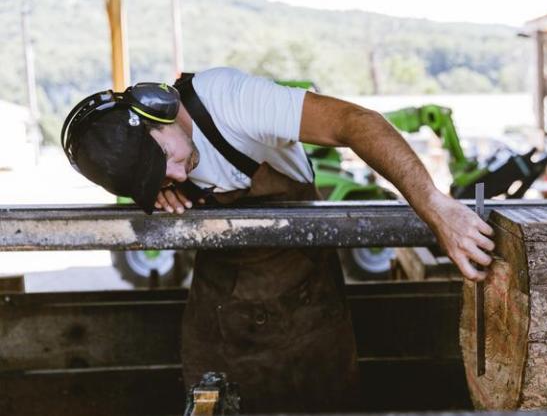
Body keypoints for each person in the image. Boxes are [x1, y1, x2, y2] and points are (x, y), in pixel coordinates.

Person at [61, 67, 494, 412]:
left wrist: (434, 205)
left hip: (305, 298)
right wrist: (155, 188)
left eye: (166, 162)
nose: (176, 176)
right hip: (220, 312)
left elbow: (355, 122)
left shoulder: (230, 101)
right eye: (158, 178)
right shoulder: (161, 165)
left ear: (159, 110)